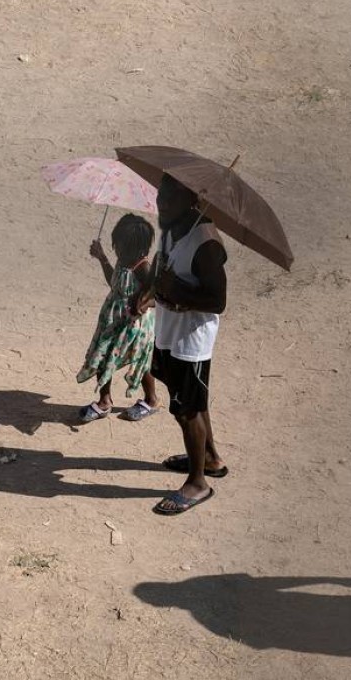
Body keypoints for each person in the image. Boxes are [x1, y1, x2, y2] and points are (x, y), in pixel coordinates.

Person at [149, 175, 228, 515]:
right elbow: (163, 274)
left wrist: (176, 289)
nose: (161, 203)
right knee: (191, 399)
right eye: (160, 194)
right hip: (169, 330)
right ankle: (209, 458)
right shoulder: (170, 229)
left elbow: (217, 300)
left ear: (191, 199)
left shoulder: (205, 243)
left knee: (187, 409)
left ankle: (198, 482)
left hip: (191, 339)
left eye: (170, 197)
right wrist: (149, 290)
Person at [76, 214, 162, 423]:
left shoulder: (143, 267)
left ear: (138, 247)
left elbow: (156, 295)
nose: (118, 250)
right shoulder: (123, 260)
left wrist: (142, 306)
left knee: (138, 360)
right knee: (102, 355)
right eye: (117, 245)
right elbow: (114, 283)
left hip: (134, 324)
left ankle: (152, 400)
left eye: (122, 246)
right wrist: (102, 258)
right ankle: (104, 401)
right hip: (112, 320)